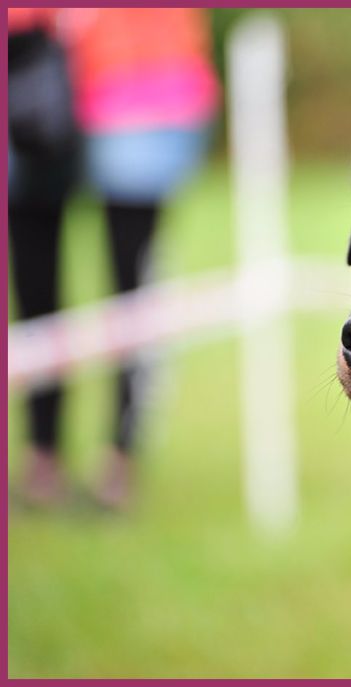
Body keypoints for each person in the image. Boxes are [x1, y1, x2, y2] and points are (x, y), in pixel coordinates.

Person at [8, 8, 219, 509]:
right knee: (37, 288)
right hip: (30, 81)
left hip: (136, 82)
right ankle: (44, 457)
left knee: (133, 296)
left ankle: (118, 459)